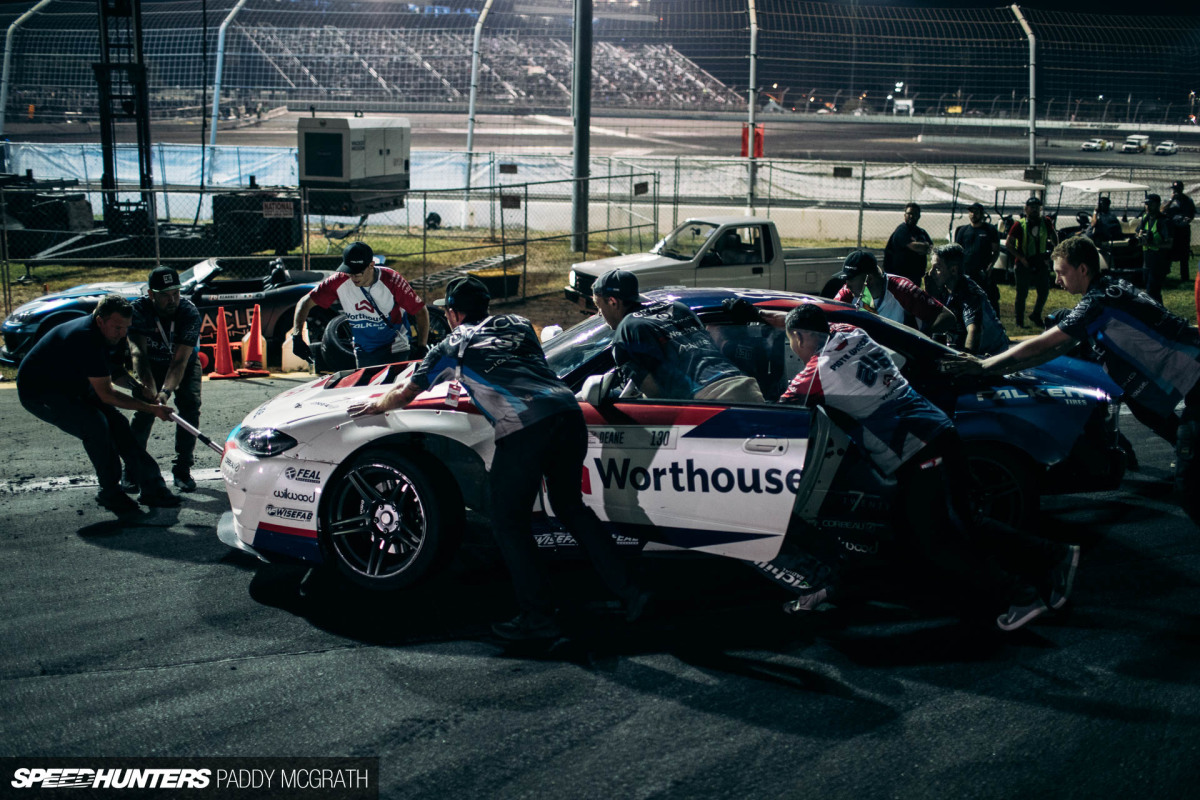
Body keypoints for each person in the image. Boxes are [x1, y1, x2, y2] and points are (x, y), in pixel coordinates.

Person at [348, 277, 650, 641]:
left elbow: (406, 392)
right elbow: (527, 368)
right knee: (571, 507)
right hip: (568, 414)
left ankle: (538, 618)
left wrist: (375, 405)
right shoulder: (519, 324)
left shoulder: (452, 344)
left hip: (526, 426)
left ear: (452, 313)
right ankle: (632, 592)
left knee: (508, 522)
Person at [769, 303, 1078, 631]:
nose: (792, 347)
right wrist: (769, 317)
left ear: (798, 337)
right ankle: (1054, 555)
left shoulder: (814, 374)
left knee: (935, 540)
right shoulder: (851, 332)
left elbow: (775, 415)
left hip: (918, 450)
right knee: (965, 520)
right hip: (940, 430)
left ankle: (1021, 595)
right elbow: (817, 322)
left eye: (791, 340)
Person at [945, 235, 1200, 525]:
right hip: (1193, 378)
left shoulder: (1098, 303)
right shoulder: (1109, 289)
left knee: (1189, 487)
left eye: (1061, 272)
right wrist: (992, 370)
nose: (1057, 280)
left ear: (1082, 269)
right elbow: (1053, 350)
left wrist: (984, 364)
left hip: (1196, 380)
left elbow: (1045, 343)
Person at [16, 295, 182, 514]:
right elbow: (107, 394)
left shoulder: (113, 334)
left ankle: (152, 486)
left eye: (126, 327)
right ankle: (110, 492)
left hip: (74, 384)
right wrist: (151, 409)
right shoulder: (85, 338)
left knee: (119, 425)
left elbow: (114, 370)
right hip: (41, 393)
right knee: (96, 426)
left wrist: (137, 387)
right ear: (100, 320)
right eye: (118, 328)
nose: (123, 333)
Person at [590, 268, 765, 403]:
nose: (600, 314)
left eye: (599, 307)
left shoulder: (626, 331)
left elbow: (656, 396)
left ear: (613, 302)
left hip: (712, 401)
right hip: (747, 387)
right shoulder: (677, 307)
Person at [291, 241, 429, 368]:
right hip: (364, 350)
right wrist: (297, 337)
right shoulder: (339, 280)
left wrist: (422, 347)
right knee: (366, 386)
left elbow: (420, 311)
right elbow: (304, 302)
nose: (353, 277)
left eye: (358, 273)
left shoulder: (392, 279)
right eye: (349, 271)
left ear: (371, 265)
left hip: (395, 347)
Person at [127, 266, 203, 492]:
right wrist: (151, 391)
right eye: (165, 295)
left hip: (184, 363)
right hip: (150, 363)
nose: (172, 300)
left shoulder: (189, 313)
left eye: (176, 293)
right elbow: (138, 355)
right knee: (144, 409)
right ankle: (132, 468)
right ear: (151, 294)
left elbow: (180, 361)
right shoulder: (138, 311)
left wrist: (165, 392)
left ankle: (182, 469)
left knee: (190, 407)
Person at [832, 250, 956, 335]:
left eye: (850, 278)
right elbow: (829, 322)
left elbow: (947, 317)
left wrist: (920, 339)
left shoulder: (902, 289)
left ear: (869, 279)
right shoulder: (847, 292)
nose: (847, 284)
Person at [924, 244, 1009, 356]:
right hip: (968, 346)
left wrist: (966, 360)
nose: (930, 273)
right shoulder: (942, 287)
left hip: (994, 354)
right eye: (931, 267)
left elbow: (974, 330)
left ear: (953, 270)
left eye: (937, 268)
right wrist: (929, 297)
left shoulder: (969, 293)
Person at [1005, 195, 1057, 329]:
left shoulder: (1046, 222)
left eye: (1037, 207)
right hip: (1023, 263)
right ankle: (1019, 321)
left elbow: (1053, 235)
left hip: (1040, 262)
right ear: (1026, 209)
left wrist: (1055, 250)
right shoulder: (1019, 224)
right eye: (1031, 207)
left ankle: (1036, 314)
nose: (1034, 210)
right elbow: (1008, 244)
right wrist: (1021, 258)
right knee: (1022, 294)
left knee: (1044, 291)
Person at [954, 202, 1002, 314]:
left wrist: (990, 266)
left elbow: (996, 251)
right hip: (966, 272)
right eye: (971, 212)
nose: (973, 214)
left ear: (982, 214)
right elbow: (957, 251)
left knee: (990, 300)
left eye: (976, 212)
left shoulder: (990, 230)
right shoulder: (962, 230)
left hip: (983, 272)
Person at [883, 202, 934, 284]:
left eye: (915, 214)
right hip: (900, 278)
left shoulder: (921, 231)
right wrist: (922, 247)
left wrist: (923, 247)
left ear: (919, 216)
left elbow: (930, 248)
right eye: (909, 213)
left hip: (915, 276)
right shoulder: (901, 230)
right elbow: (915, 246)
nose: (911, 216)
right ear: (904, 215)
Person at [1135, 194, 1173, 304]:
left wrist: (1152, 244)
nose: (1147, 207)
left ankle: (1157, 312)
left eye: (1150, 204)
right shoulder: (1146, 218)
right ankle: (1159, 312)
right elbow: (1138, 232)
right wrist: (1140, 236)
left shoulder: (1164, 221)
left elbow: (1169, 244)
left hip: (1159, 262)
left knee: (1152, 292)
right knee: (1150, 292)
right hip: (1147, 261)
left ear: (1157, 205)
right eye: (1146, 204)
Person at [1164, 180, 1194, 282]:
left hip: (1183, 229)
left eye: (1178, 189)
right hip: (1172, 229)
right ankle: (1165, 273)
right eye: (1175, 189)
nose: (1176, 191)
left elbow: (1191, 214)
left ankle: (1184, 277)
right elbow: (1162, 210)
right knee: (1168, 251)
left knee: (1184, 253)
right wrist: (1171, 200)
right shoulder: (1168, 200)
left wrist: (1188, 219)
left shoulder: (1188, 201)